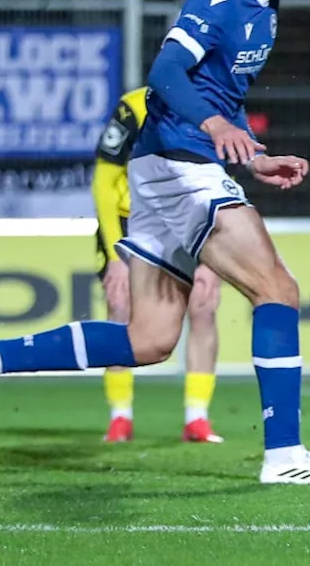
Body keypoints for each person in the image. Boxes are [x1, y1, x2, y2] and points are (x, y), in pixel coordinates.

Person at [0, 0, 310, 485]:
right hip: (176, 166)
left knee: (148, 339)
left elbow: (222, 94)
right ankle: (285, 458)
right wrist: (214, 124)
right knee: (278, 289)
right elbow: (166, 68)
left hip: (173, 165)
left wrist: (254, 156)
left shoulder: (265, 12)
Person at [91, 86, 223, 444]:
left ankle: (197, 417)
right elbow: (104, 182)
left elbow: (220, 178)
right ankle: (120, 415)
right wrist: (115, 254)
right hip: (132, 222)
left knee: (204, 305)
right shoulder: (133, 108)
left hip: (187, 222)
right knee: (120, 305)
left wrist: (213, 258)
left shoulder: (215, 106)